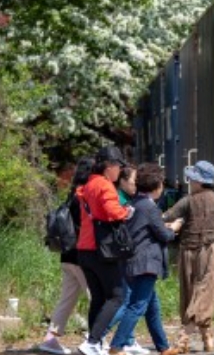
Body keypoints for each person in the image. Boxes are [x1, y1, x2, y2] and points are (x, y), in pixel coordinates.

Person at [162, 161, 214, 352]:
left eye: (191, 179)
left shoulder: (187, 201)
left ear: (198, 181)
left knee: (190, 293)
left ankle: (184, 336)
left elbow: (167, 216)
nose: (190, 182)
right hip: (212, 250)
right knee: (206, 291)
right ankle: (206, 335)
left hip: (188, 250)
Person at [108, 163, 181, 355]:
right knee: (137, 306)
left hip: (131, 261)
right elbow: (163, 235)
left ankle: (163, 347)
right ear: (156, 187)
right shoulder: (150, 207)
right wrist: (174, 228)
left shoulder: (133, 204)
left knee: (152, 307)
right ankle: (116, 346)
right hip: (145, 263)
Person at [76, 146, 134, 355]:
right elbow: (113, 211)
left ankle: (94, 343)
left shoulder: (88, 184)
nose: (120, 171)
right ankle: (92, 342)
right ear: (109, 166)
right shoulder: (105, 185)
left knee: (99, 299)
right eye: (118, 166)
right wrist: (126, 212)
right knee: (117, 297)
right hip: (102, 250)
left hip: (84, 249)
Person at [38, 157, 94, 355]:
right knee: (96, 297)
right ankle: (95, 340)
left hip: (67, 255)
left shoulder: (72, 194)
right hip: (81, 255)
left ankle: (50, 339)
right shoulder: (85, 195)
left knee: (67, 299)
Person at [105, 165, 148, 355]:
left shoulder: (127, 198)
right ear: (122, 181)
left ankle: (128, 339)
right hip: (122, 255)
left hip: (124, 254)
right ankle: (99, 333)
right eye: (133, 182)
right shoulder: (120, 200)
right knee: (128, 299)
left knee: (130, 298)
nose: (136, 185)